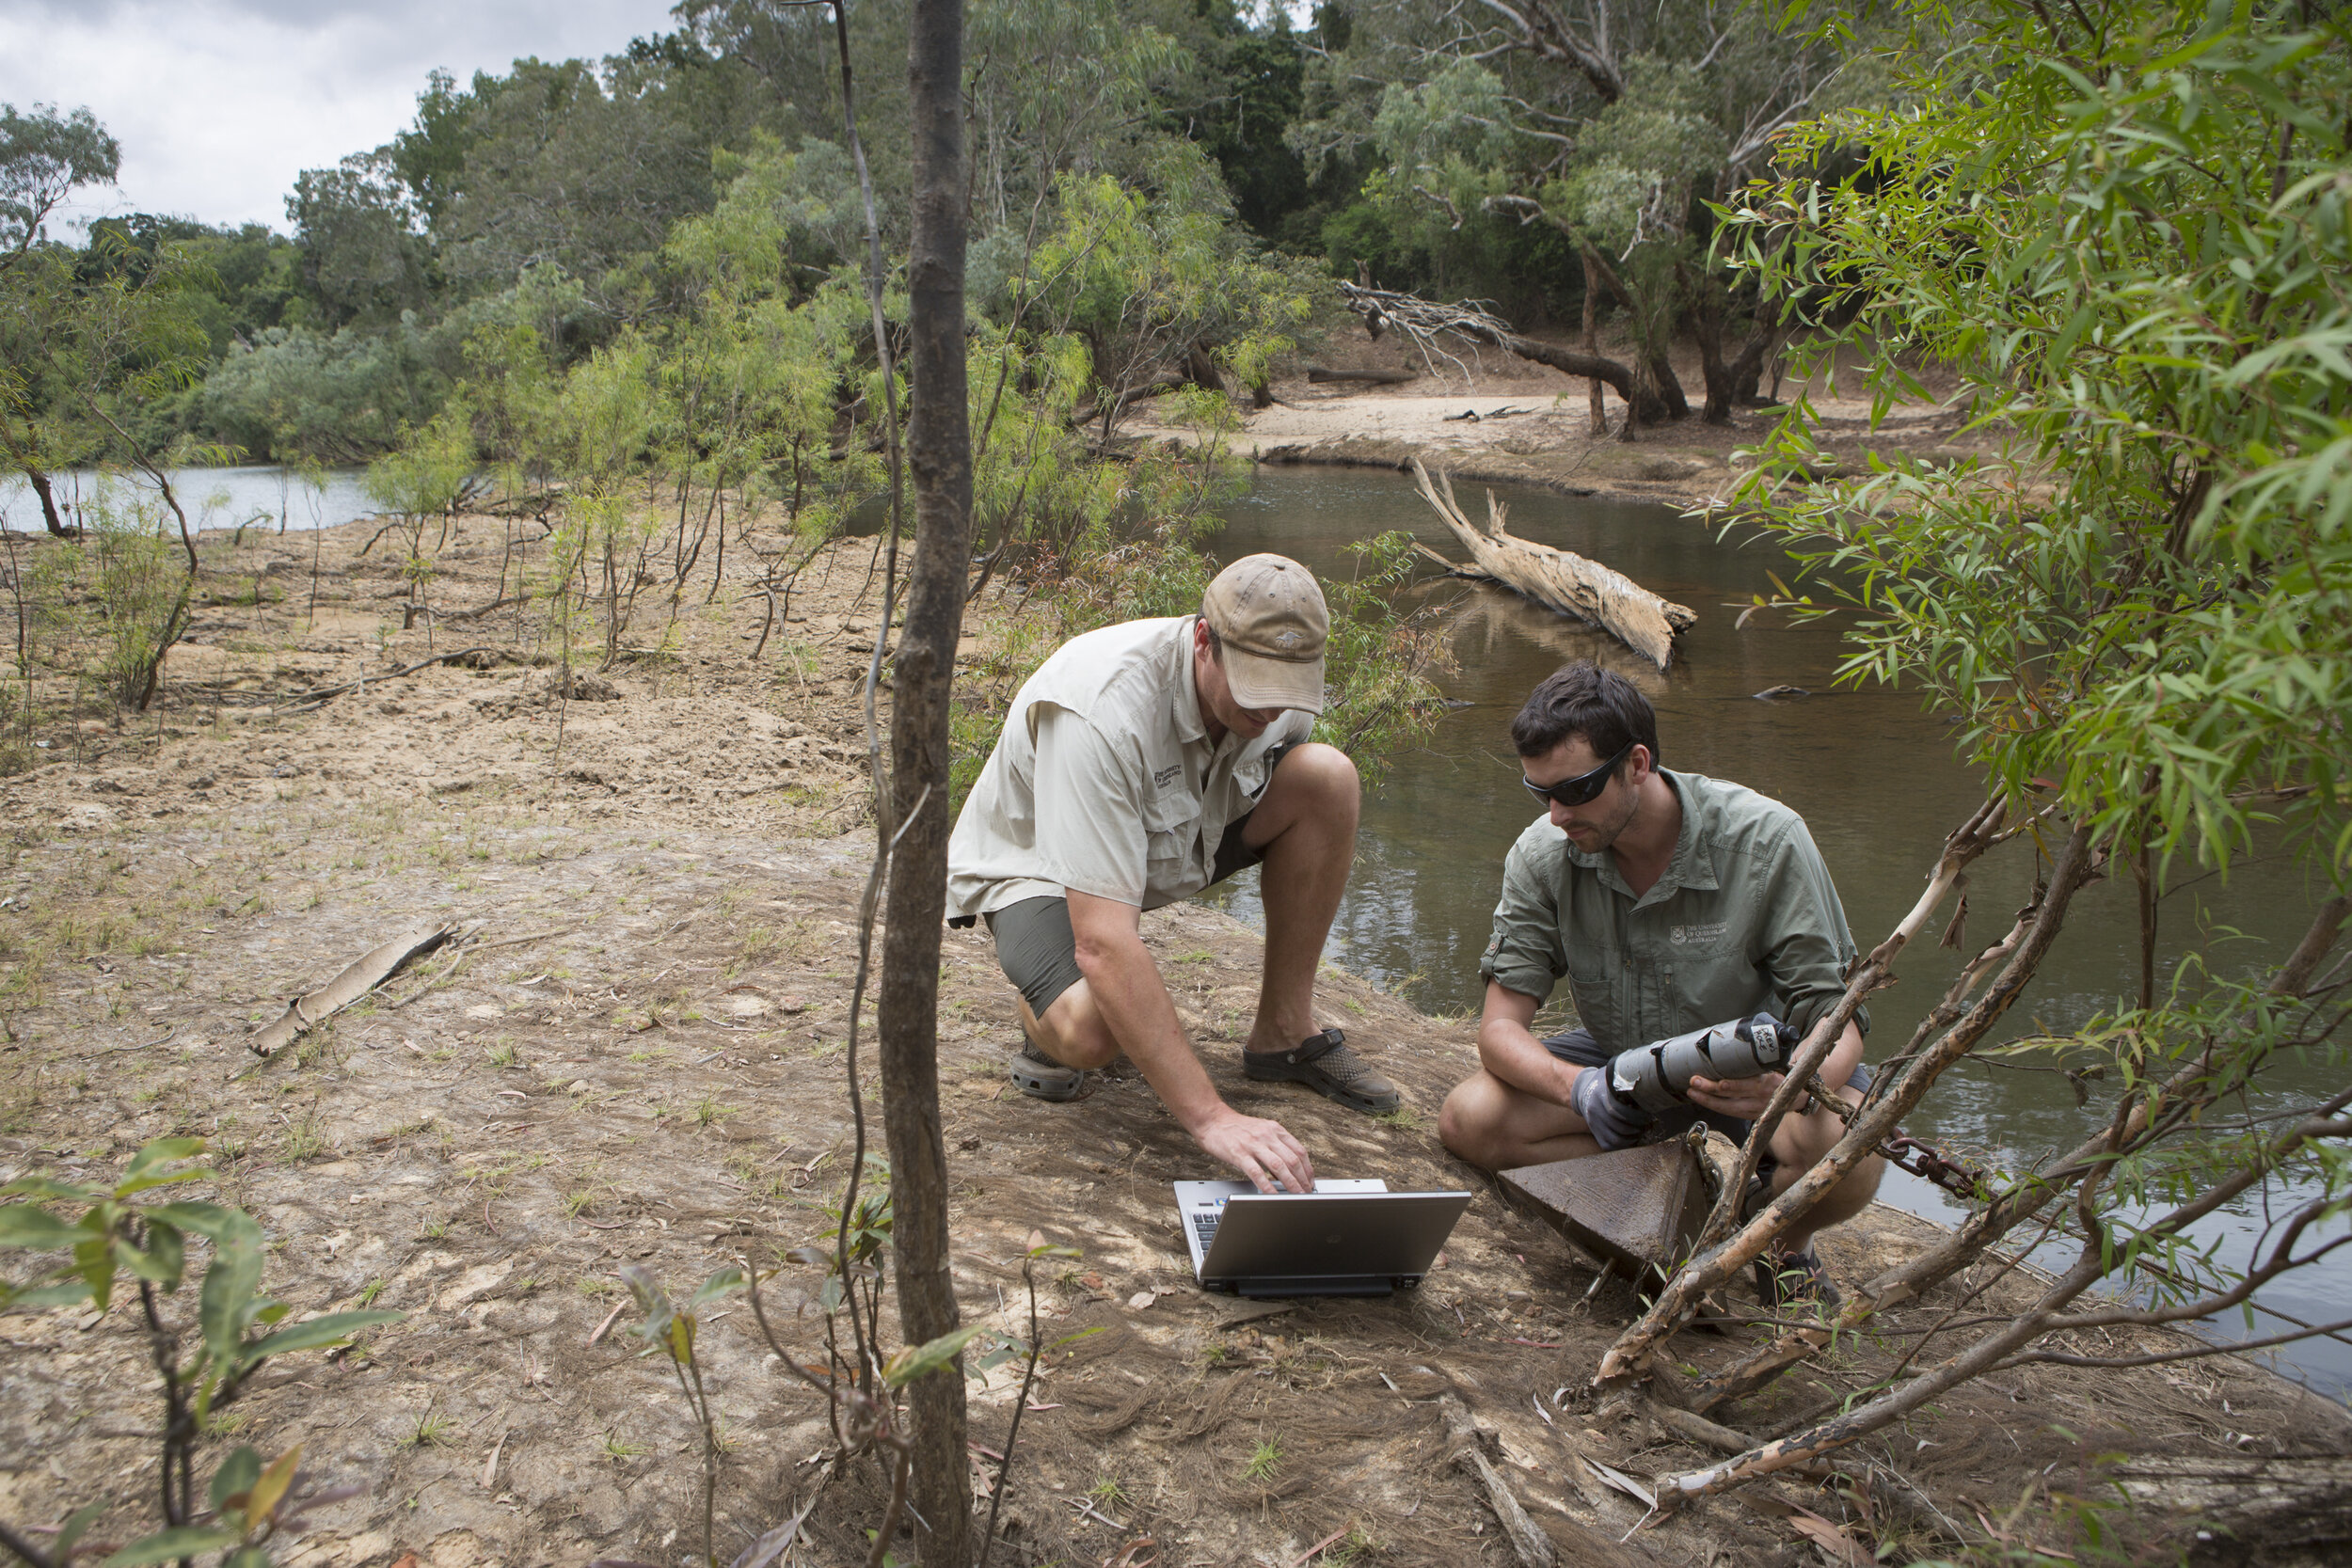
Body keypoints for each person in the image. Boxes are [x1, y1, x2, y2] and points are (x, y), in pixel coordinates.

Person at [946, 553, 1400, 1196]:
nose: (1271, 706)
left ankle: (1282, 1032)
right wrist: (1213, 1118)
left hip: (1172, 839)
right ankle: (1040, 1009)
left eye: (1286, 687)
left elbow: (1272, 761)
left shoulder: (1274, 700)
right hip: (1039, 867)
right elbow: (1103, 942)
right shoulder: (1099, 712)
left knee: (1327, 779)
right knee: (1092, 1027)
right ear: (1204, 640)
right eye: (1253, 683)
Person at [1437, 663, 1883, 1305]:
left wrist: (1790, 1085)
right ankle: (1660, 1209)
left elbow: (1837, 1023)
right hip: (1623, 1066)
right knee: (1468, 1118)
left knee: (1854, 1148)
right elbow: (1500, 1029)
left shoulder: (1767, 840)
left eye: (1576, 788)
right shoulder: (1542, 854)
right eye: (1542, 793)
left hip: (1755, 1074)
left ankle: (1784, 1245)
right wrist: (1582, 1087)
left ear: (1637, 763)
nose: (1558, 813)